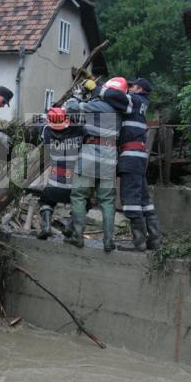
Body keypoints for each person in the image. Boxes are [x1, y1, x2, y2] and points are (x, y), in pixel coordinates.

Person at [99, 77, 161, 251]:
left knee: (131, 199)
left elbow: (113, 95)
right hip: (139, 156)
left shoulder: (134, 100)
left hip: (131, 157)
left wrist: (97, 88)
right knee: (143, 199)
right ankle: (155, 240)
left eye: (132, 86)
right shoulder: (142, 104)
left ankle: (139, 243)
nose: (129, 89)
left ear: (139, 88)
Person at [63, 79, 124, 252]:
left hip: (90, 153)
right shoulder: (121, 110)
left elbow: (71, 108)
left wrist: (76, 95)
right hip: (110, 155)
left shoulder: (97, 105)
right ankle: (108, 241)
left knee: (79, 195)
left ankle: (77, 236)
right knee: (107, 201)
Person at [36, 107, 85, 239]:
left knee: (45, 201)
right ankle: (70, 226)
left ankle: (46, 226)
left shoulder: (46, 133)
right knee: (86, 203)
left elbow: (41, 124)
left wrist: (43, 117)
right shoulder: (78, 132)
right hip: (73, 187)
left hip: (54, 186)